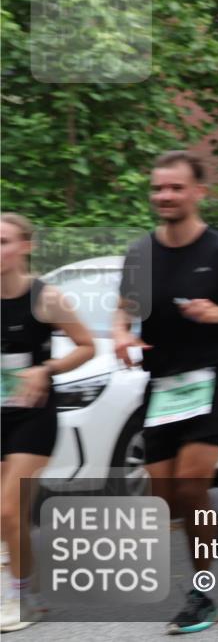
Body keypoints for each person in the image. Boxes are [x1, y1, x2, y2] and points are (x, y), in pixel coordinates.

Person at [113, 151, 218, 634]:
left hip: (214, 379)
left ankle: (202, 594)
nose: (164, 196)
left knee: (188, 484)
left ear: (198, 192)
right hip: (163, 383)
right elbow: (125, 307)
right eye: (158, 188)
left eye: (175, 188)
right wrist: (122, 333)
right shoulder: (141, 253)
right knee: (166, 496)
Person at [1, 214, 95, 632]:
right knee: (9, 515)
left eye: (4, 241)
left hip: (34, 415)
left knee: (7, 509)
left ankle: (18, 599)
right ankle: (27, 593)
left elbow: (87, 347)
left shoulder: (46, 297)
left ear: (25, 247)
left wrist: (46, 369)